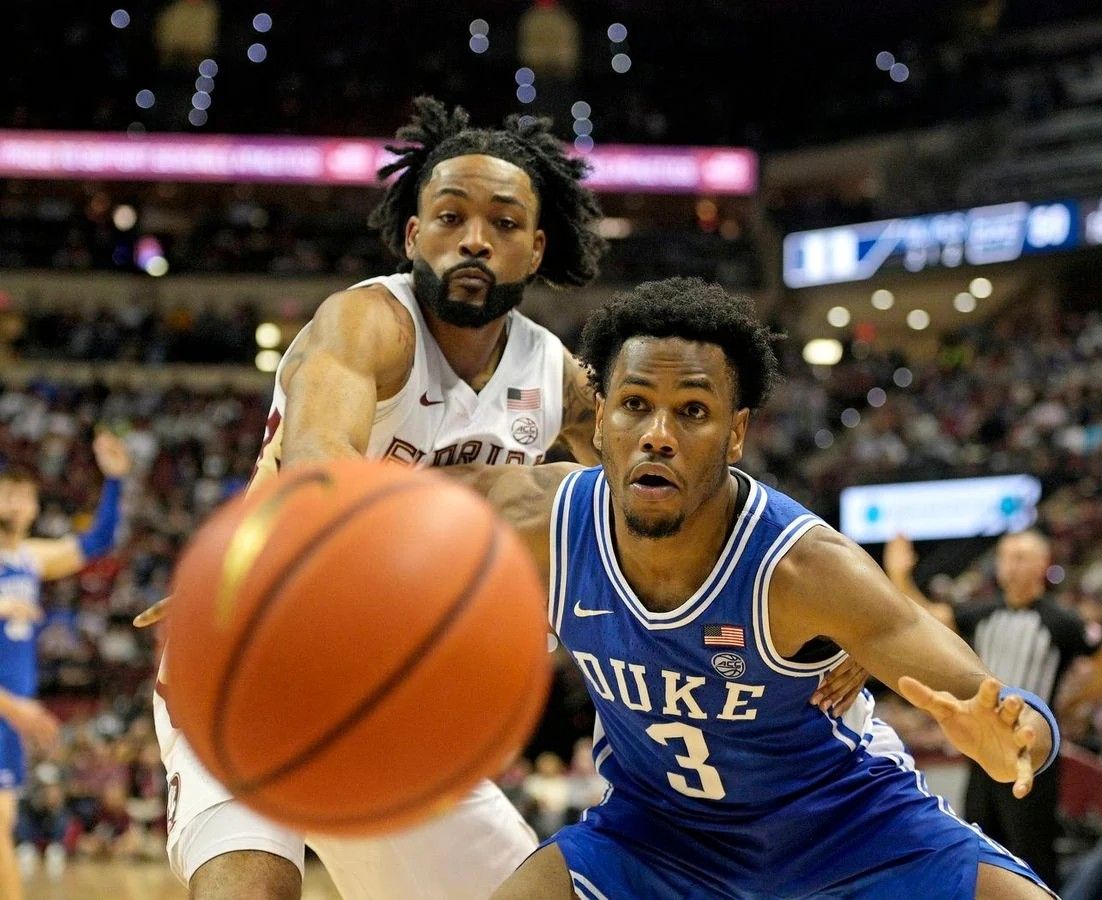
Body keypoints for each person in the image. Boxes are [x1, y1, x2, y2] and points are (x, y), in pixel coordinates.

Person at [136, 100, 866, 899]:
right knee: (252, 887)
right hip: (259, 656)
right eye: (449, 216)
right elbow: (320, 472)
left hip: (394, 695)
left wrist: (832, 612)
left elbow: (687, 505)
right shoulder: (367, 325)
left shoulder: (552, 375)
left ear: (536, 247)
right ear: (413, 236)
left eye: (504, 222)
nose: (475, 238)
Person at [446, 277, 1060, 898]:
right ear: (600, 418)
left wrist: (1016, 739)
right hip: (656, 840)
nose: (658, 434)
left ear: (736, 433)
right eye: (634, 404)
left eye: (692, 411)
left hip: (847, 832)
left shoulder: (803, 569)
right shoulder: (538, 522)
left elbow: (988, 698)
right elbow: (371, 499)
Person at [885, 532, 1102, 890]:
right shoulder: (983, 612)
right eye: (1004, 557)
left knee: (1032, 853)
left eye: (1020, 557)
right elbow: (922, 618)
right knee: (978, 846)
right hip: (982, 754)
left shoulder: (1060, 620)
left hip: (1030, 754)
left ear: (1042, 565)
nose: (1009, 566)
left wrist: (1070, 704)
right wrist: (900, 576)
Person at [0, 431, 130, 899]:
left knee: (5, 823)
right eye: (7, 493)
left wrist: (114, 481)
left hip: (12, 713)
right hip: (7, 709)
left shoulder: (30, 558)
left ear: (35, 508)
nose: (15, 503)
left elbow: (95, 542)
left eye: (23, 496)